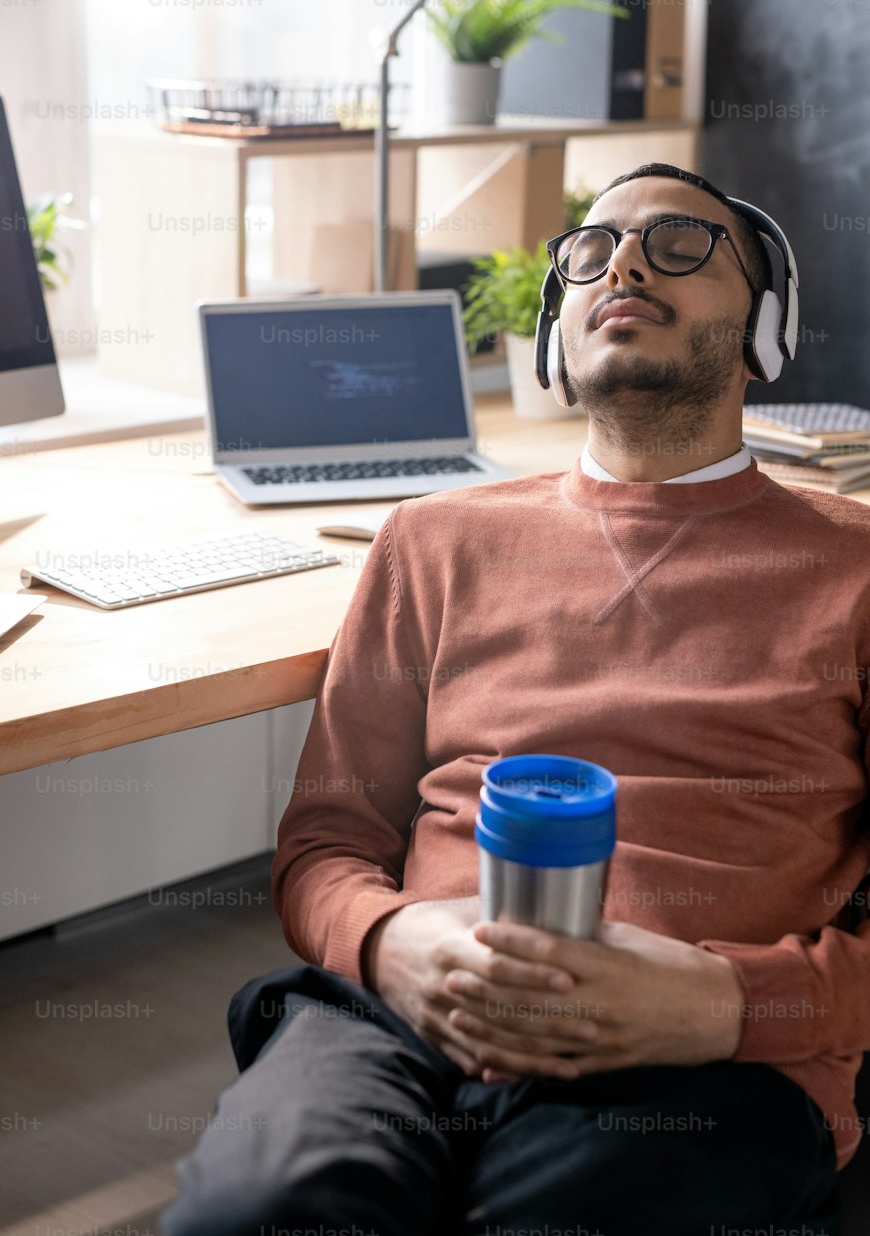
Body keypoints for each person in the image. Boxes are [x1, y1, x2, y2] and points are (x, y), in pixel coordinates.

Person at [161, 163, 869, 1236]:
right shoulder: (430, 543)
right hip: (402, 1015)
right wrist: (389, 941)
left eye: (681, 242)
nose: (623, 261)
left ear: (766, 327)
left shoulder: (854, 568)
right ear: (555, 332)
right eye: (589, 252)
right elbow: (323, 846)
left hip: (703, 1066)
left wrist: (724, 1003)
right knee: (260, 1211)